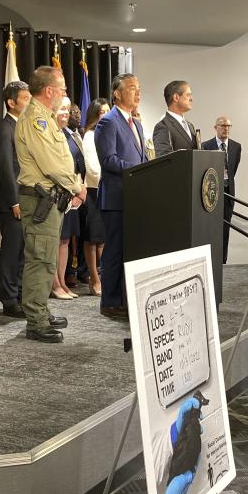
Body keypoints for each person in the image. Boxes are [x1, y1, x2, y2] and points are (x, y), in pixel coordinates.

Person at [15, 66, 86, 343]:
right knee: (40, 259)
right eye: (63, 89)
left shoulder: (45, 117)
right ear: (49, 91)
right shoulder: (36, 120)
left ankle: (40, 310)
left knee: (46, 259)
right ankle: (36, 321)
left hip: (52, 199)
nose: (65, 93)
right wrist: (77, 186)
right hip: (40, 199)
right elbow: (51, 162)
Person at [95, 73, 146, 319]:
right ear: (117, 93)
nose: (138, 93)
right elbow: (108, 160)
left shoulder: (136, 123)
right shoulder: (108, 122)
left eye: (139, 89)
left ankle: (126, 298)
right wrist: (139, 170)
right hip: (116, 198)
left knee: (130, 251)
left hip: (136, 198)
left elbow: (143, 158)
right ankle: (110, 301)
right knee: (114, 251)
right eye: (132, 88)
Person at [0, 80, 31, 318]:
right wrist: (14, 201)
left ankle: (21, 295)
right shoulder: (5, 129)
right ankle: (8, 299)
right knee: (11, 253)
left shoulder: (24, 127)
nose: (29, 103)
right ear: (11, 102)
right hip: (11, 204)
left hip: (28, 201)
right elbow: (5, 168)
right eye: (25, 99)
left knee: (24, 253)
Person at [52, 97, 83, 300]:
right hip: (56, 195)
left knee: (64, 241)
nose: (65, 113)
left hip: (71, 196)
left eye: (67, 109)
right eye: (61, 109)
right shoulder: (50, 134)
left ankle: (62, 281)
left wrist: (81, 190)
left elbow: (79, 164)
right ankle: (54, 284)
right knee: (54, 240)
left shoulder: (69, 135)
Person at [201, 116, 242, 264]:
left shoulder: (236, 147)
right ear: (215, 127)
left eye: (228, 126)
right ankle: (210, 261)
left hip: (228, 194)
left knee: (225, 230)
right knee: (210, 229)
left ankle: (223, 262)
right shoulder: (206, 145)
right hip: (211, 195)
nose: (226, 128)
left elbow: (233, 169)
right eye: (222, 125)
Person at [80, 98, 108, 296]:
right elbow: (92, 167)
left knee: (103, 238)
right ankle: (94, 279)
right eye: (102, 112)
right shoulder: (89, 135)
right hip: (93, 190)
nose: (106, 115)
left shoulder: (106, 133)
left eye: (108, 111)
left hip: (106, 190)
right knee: (92, 237)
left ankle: (103, 276)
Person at [151, 80, 200, 157]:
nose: (191, 99)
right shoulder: (163, 126)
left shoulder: (191, 126)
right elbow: (164, 161)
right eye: (188, 95)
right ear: (176, 97)